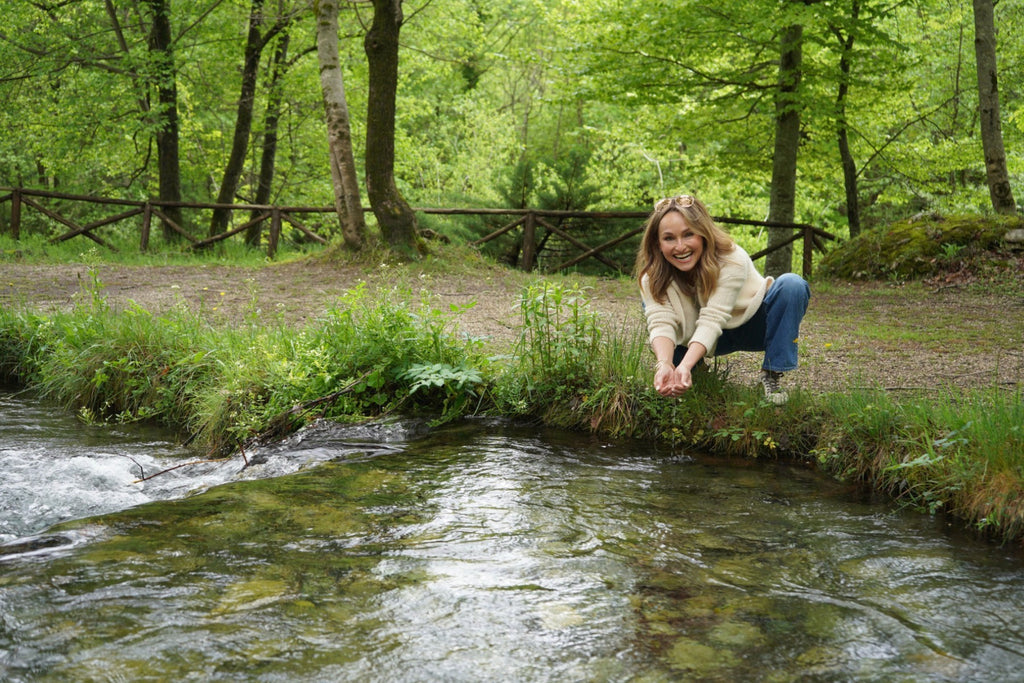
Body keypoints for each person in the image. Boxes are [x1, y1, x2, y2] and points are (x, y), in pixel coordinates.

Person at [636, 194, 810, 404]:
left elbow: (713, 318)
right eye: (669, 238)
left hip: (750, 326)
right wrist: (664, 363)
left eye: (688, 234)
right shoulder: (651, 277)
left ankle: (771, 375)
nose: (680, 246)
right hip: (702, 338)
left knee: (793, 285)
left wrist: (684, 365)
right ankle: (694, 369)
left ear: (703, 233)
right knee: (654, 310)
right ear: (657, 242)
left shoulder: (732, 259)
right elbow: (660, 323)